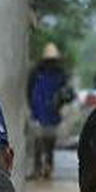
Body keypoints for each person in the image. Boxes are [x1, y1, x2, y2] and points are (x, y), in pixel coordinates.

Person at [26, 43, 72, 180]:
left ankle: (47, 169)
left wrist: (59, 101)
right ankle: (38, 169)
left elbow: (68, 94)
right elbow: (29, 91)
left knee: (49, 143)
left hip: (52, 113)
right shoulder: (36, 73)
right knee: (38, 143)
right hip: (39, 112)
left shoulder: (60, 74)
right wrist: (33, 108)